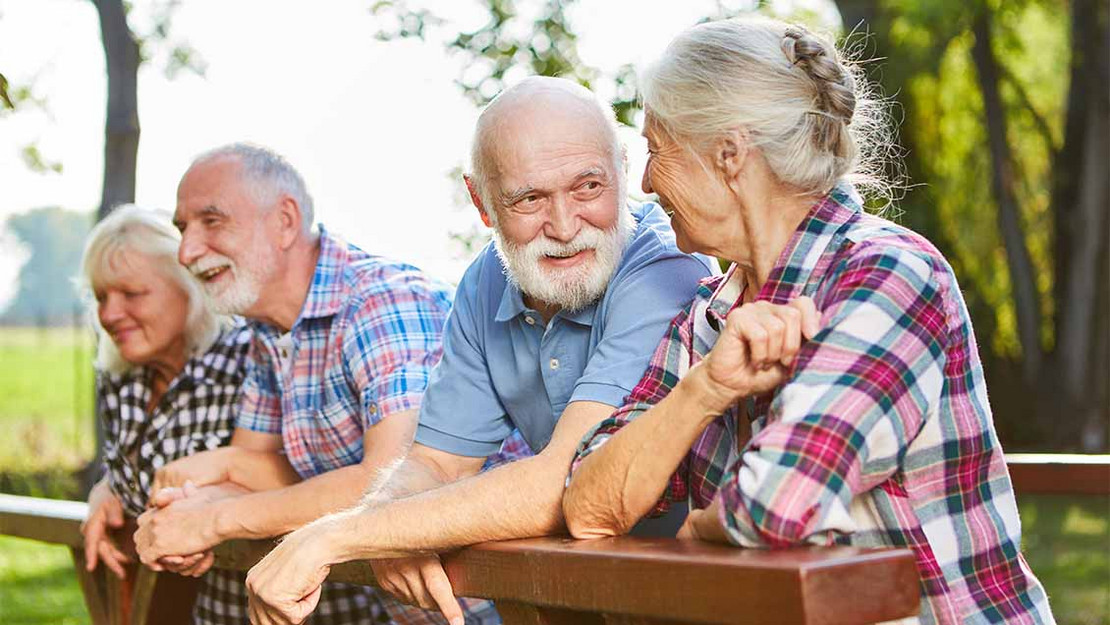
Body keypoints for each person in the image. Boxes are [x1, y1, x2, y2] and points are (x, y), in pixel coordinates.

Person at [560, 16, 1054, 624]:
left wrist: (694, 530)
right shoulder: (707, 316)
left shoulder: (890, 272)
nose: (643, 181)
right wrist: (706, 387)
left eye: (657, 149)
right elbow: (586, 506)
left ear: (730, 155)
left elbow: (779, 505)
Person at [243, 76, 717, 625]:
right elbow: (436, 462)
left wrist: (336, 536)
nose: (564, 226)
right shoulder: (485, 281)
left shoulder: (665, 268)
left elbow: (563, 479)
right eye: (529, 198)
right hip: (580, 596)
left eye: (588, 187)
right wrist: (390, 524)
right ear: (482, 202)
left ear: (623, 171)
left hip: (699, 592)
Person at [131, 144, 479, 624]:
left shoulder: (382, 302)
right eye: (183, 229)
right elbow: (252, 473)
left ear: (286, 221)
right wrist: (190, 512)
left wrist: (210, 522)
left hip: (515, 605)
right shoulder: (268, 331)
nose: (187, 251)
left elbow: (395, 484)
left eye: (211, 221)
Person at [78, 205, 253, 625]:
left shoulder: (249, 360)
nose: (109, 314)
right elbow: (144, 471)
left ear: (188, 286)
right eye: (102, 297)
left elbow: (287, 474)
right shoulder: (120, 378)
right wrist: (110, 485)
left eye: (131, 294)